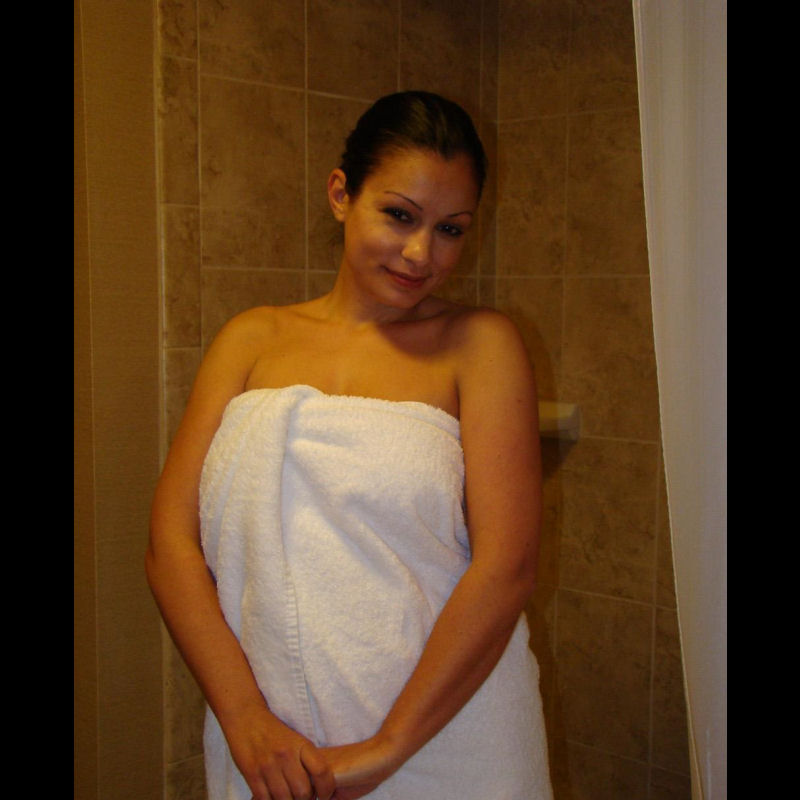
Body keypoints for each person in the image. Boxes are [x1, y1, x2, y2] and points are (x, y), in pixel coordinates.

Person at [146, 90, 553, 800]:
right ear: (341, 194)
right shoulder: (250, 340)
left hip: (449, 734)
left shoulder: (480, 346)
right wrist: (245, 720)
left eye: (450, 229)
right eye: (399, 215)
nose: (422, 253)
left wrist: (386, 748)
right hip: (276, 750)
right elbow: (170, 544)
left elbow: (507, 567)